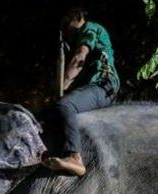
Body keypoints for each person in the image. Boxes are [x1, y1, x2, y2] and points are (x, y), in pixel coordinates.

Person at [43, 8, 120, 176]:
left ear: (78, 16)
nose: (63, 27)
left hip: (102, 85)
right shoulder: (77, 38)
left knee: (65, 105)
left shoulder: (90, 29)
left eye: (66, 22)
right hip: (95, 88)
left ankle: (75, 157)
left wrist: (61, 86)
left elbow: (79, 58)